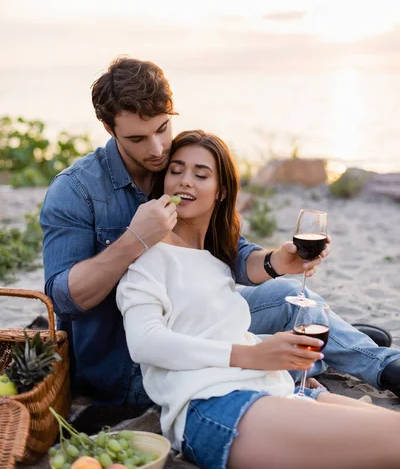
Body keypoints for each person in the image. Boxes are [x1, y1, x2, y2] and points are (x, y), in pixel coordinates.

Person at [40, 56, 400, 407]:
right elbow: (65, 299)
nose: (157, 149)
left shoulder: (178, 167)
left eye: (163, 128)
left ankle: (380, 365)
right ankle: (330, 348)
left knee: (292, 296)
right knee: (283, 348)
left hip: (198, 316)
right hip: (131, 356)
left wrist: (276, 261)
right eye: (137, 139)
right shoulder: (77, 191)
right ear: (109, 129)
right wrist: (135, 239)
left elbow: (229, 253)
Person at [116, 129, 400, 469]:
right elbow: (144, 342)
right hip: (214, 405)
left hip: (275, 389)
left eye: (200, 174)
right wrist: (252, 355)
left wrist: (275, 358)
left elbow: (217, 329)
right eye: (176, 171)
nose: (185, 181)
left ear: (221, 191)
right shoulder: (150, 257)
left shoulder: (216, 258)